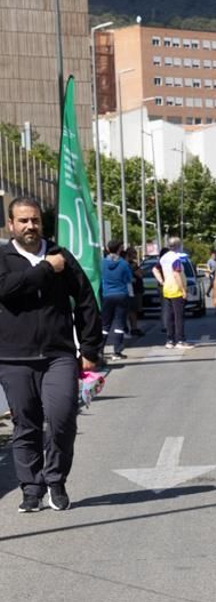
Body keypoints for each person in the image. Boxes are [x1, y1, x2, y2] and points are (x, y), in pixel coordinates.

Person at [0, 196, 104, 512]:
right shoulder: (4, 258)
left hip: (58, 355)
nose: (30, 226)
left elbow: (86, 300)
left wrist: (89, 349)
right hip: (13, 358)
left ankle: (55, 480)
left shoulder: (61, 256)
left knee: (62, 420)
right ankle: (31, 488)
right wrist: (46, 269)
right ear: (10, 225)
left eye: (35, 220)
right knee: (26, 425)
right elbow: (7, 289)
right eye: (23, 221)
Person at [152, 236, 194, 350]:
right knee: (179, 316)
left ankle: (170, 340)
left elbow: (155, 269)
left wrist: (161, 281)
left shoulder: (164, 257)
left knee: (170, 316)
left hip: (167, 289)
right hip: (176, 289)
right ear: (178, 246)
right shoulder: (176, 258)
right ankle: (180, 340)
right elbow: (176, 274)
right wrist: (183, 290)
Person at [99, 239, 135, 362]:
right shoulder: (124, 264)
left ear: (108, 249)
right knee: (119, 323)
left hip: (107, 295)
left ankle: (100, 350)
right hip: (121, 295)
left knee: (105, 324)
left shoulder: (101, 263)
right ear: (120, 249)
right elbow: (129, 279)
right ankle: (117, 351)